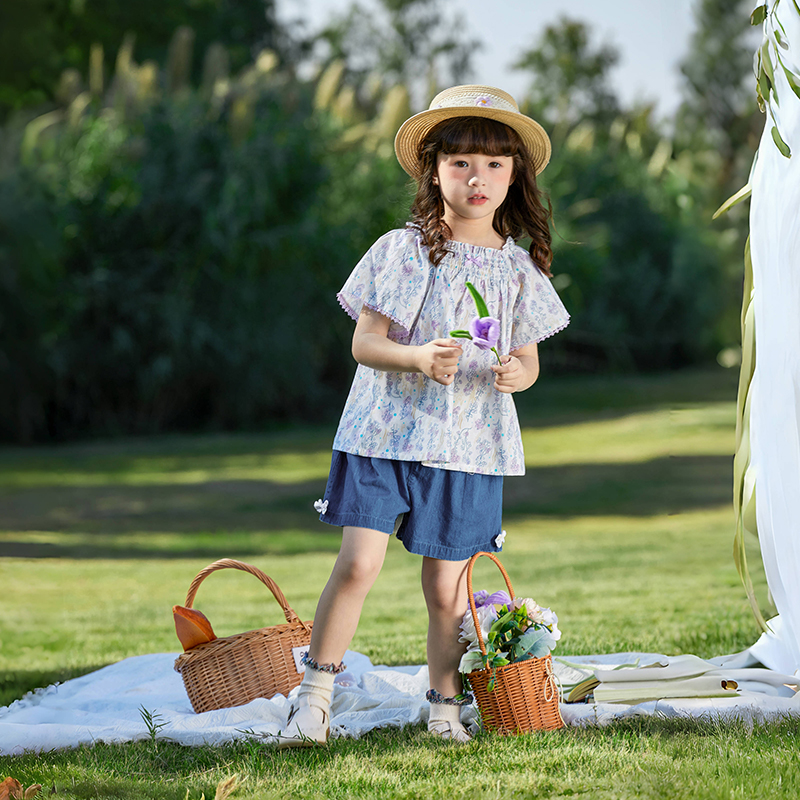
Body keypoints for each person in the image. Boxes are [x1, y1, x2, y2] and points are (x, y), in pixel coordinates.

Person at [271, 84, 570, 747]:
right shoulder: (404, 251)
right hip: (383, 433)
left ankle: (442, 709)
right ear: (433, 169)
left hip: (467, 444)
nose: (477, 178)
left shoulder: (519, 272)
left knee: (445, 587)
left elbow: (527, 361)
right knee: (358, 566)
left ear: (514, 173)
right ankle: (314, 699)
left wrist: (518, 372)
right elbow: (364, 342)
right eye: (460, 162)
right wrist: (413, 356)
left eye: (494, 164)